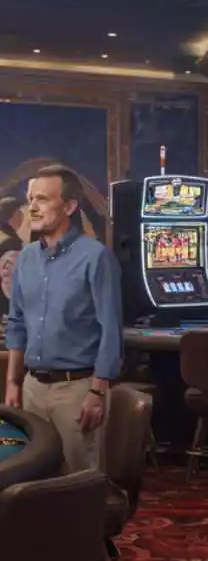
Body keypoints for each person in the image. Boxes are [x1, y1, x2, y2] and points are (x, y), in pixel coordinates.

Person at [4, 164, 122, 473]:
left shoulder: (95, 257)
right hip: (31, 388)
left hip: (77, 389)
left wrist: (98, 391)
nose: (32, 206)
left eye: (42, 199)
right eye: (30, 198)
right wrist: (13, 383)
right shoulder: (26, 257)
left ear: (69, 206)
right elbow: (16, 324)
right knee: (32, 480)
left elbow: (110, 331)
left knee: (77, 482)